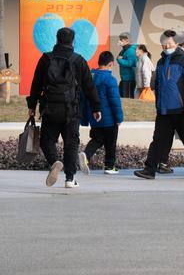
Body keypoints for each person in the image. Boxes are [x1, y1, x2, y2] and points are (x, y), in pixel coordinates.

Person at [27, 27, 101, 188]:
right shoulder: (79, 60)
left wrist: (32, 105)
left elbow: (36, 84)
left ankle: (55, 161)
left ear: (57, 39)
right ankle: (70, 179)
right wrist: (96, 107)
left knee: (46, 140)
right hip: (71, 110)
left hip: (50, 108)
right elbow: (89, 86)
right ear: (72, 41)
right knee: (71, 143)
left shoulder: (46, 59)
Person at [134, 30, 184, 180]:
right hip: (163, 111)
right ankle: (149, 169)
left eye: (170, 43)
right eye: (164, 44)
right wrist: (158, 105)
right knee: (158, 141)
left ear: (176, 43)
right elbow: (157, 85)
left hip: (182, 111)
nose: (167, 46)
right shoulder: (160, 62)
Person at [80, 51, 124, 174]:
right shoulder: (110, 79)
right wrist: (119, 118)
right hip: (109, 119)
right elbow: (115, 101)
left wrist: (85, 118)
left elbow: (83, 98)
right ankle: (109, 166)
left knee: (96, 139)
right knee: (111, 142)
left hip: (94, 116)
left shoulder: (90, 77)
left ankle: (86, 155)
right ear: (111, 64)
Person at [116, 32, 137, 98]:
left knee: (128, 97)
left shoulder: (131, 50)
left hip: (129, 79)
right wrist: (119, 59)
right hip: (124, 78)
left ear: (127, 40)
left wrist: (120, 60)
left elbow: (131, 63)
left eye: (121, 40)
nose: (119, 41)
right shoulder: (124, 50)